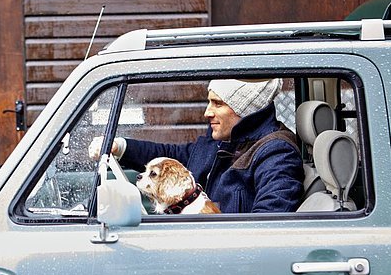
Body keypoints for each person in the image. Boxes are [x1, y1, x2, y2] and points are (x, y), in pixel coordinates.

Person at [89, 79, 304, 213]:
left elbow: (268, 227)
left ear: (245, 108)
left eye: (218, 103)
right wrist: (118, 146)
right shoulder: (221, 141)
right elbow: (172, 156)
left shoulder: (276, 152)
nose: (207, 112)